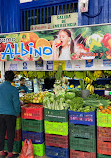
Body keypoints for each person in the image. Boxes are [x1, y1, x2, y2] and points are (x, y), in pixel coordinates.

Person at [0, 71, 20, 158]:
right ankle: (10, 153)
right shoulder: (14, 89)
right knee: (11, 134)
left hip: (0, 114)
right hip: (11, 115)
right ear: (13, 78)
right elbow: (16, 103)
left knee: (1, 133)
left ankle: (1, 152)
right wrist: (17, 112)